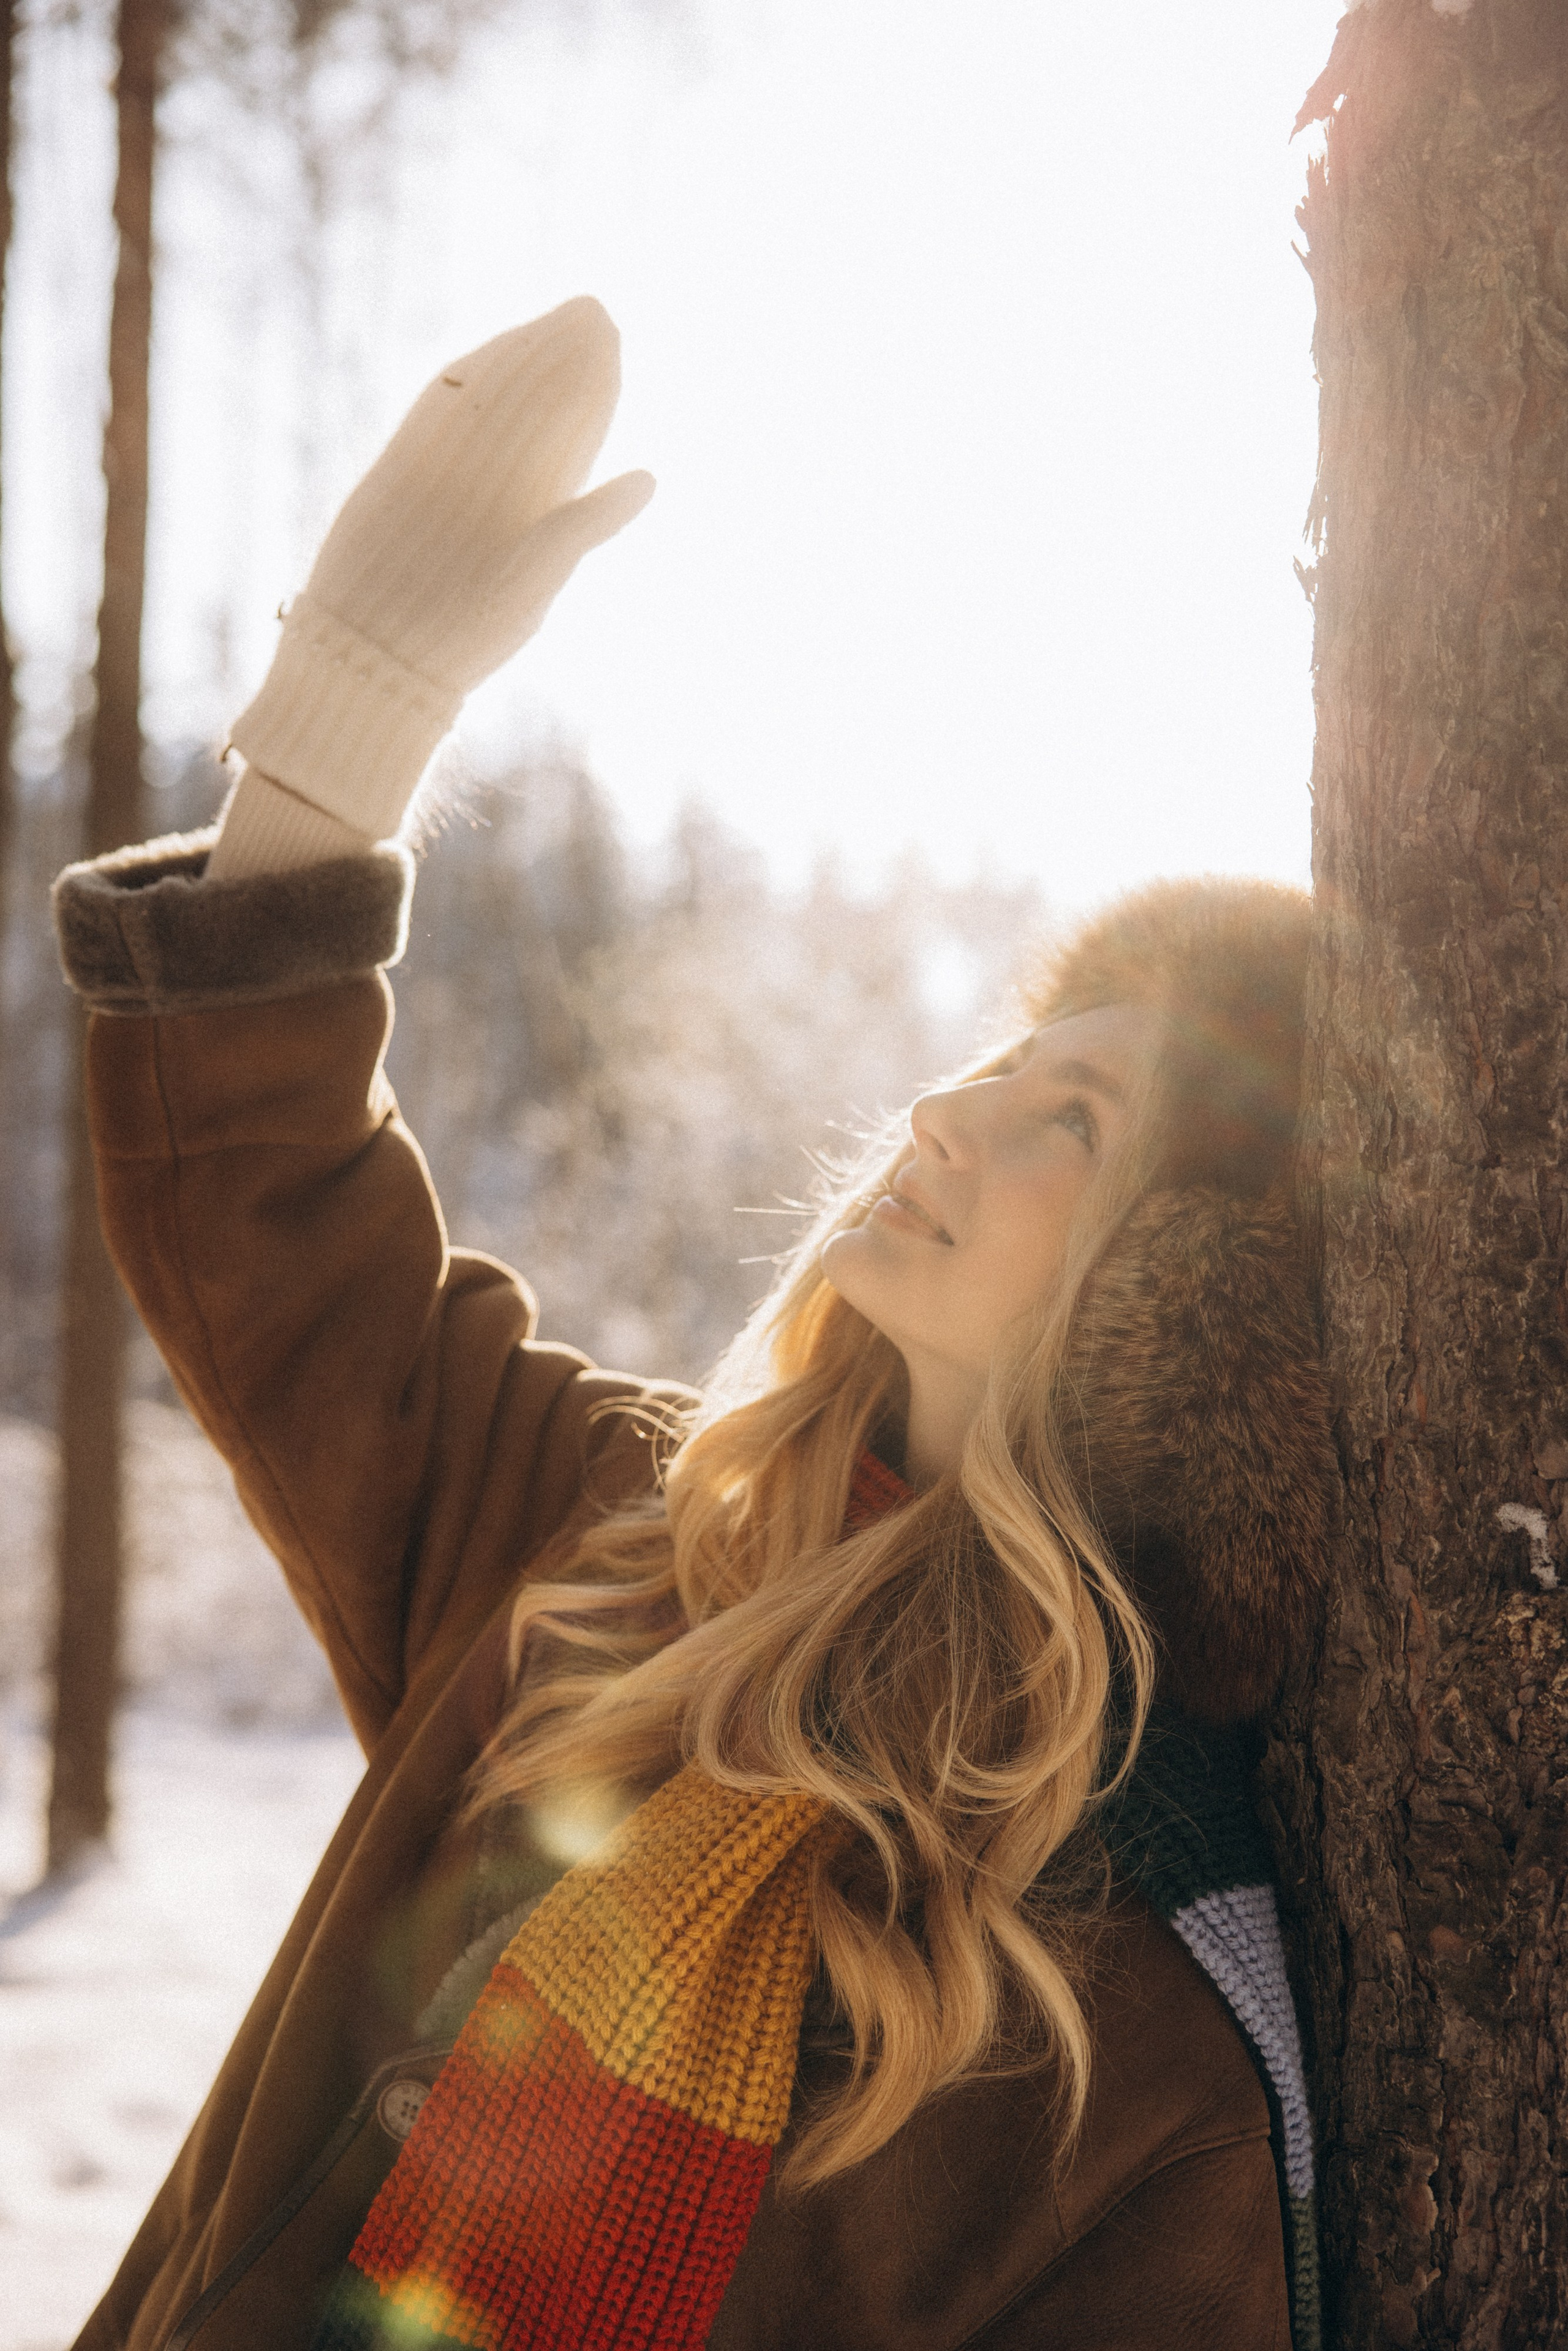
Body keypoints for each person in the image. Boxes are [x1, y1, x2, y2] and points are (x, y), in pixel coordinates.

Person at [53, 298, 1337, 2351]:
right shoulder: (631, 1551)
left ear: (1181, 1308)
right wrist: (336, 736)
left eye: (1067, 1120)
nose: (942, 1108)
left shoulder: (1148, 2037)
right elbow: (273, 1237)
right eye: (1004, 1059)